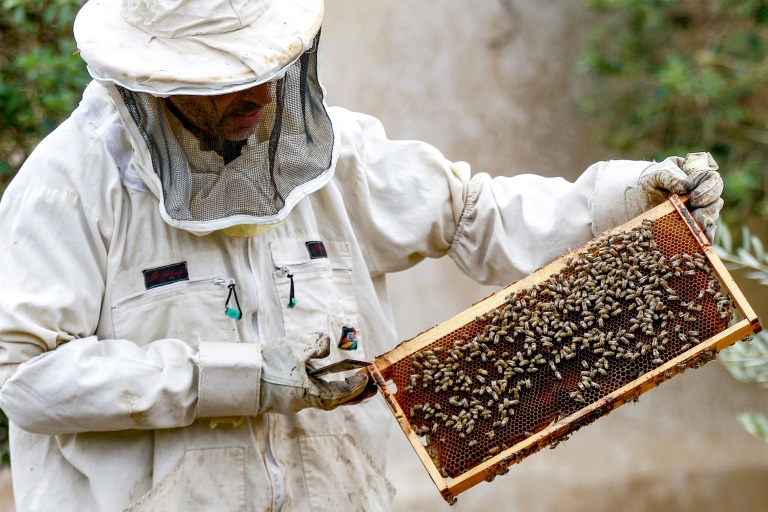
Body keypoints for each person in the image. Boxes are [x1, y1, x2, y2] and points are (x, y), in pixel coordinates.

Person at [0, 1, 724, 511]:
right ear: (158, 83)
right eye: (225, 82)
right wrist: (244, 378)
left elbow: (474, 214)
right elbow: (25, 376)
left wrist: (625, 203)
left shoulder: (334, 154)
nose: (259, 92)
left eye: (270, 66)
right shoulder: (68, 189)